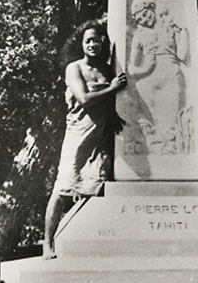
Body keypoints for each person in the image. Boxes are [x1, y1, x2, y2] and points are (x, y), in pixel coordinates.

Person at [43, 21, 127, 260]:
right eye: (87, 40)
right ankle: (47, 244)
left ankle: (90, 242)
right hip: (77, 135)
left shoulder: (108, 69)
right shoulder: (74, 68)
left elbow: (110, 101)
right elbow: (85, 99)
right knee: (62, 188)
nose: (92, 44)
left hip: (99, 136)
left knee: (97, 186)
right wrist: (112, 89)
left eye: (96, 39)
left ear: (103, 42)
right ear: (81, 44)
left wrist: (112, 115)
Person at [127, 0, 191, 154]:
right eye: (139, 19)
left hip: (171, 76)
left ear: (151, 8)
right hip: (148, 82)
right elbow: (131, 68)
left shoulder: (170, 26)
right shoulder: (139, 35)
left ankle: (170, 157)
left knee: (170, 122)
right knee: (151, 123)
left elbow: (182, 55)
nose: (144, 20)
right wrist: (145, 69)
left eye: (145, 14)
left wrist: (184, 31)